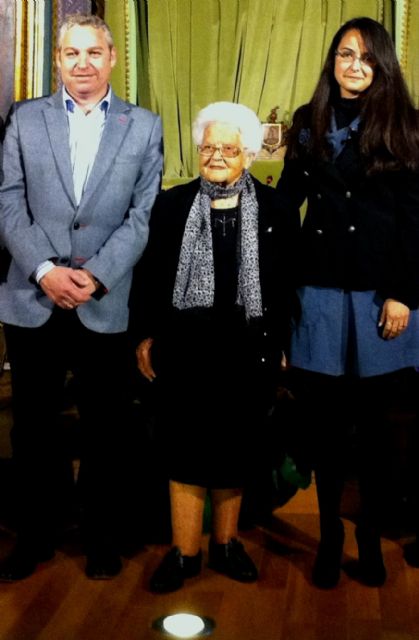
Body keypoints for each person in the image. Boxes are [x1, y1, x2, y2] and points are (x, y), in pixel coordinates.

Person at [0, 13, 163, 581]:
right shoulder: (24, 118)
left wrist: (97, 277)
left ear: (112, 58)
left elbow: (142, 217)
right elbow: (8, 203)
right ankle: (35, 537)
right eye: (72, 53)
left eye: (94, 52)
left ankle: (100, 537)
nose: (83, 64)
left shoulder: (145, 126)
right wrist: (45, 270)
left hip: (104, 300)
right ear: (58, 60)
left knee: (105, 428)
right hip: (32, 297)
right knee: (33, 428)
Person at [276, 16, 419, 588]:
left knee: (378, 431)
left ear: (382, 65)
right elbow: (287, 202)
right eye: (344, 54)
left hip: (383, 296)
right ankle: (332, 533)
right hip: (318, 293)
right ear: (332, 61)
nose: (354, 65)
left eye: (365, 56)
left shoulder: (406, 124)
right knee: (326, 429)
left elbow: (415, 218)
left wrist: (404, 291)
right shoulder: (307, 121)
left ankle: (370, 534)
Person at [129, 101, 295, 593]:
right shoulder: (172, 205)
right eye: (208, 147)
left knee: (235, 448)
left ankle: (226, 544)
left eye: (228, 148)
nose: (216, 156)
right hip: (185, 349)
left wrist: (282, 343)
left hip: (248, 349)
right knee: (183, 449)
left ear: (248, 154)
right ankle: (184, 553)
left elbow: (286, 284)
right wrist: (144, 336)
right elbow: (148, 277)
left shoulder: (277, 210)